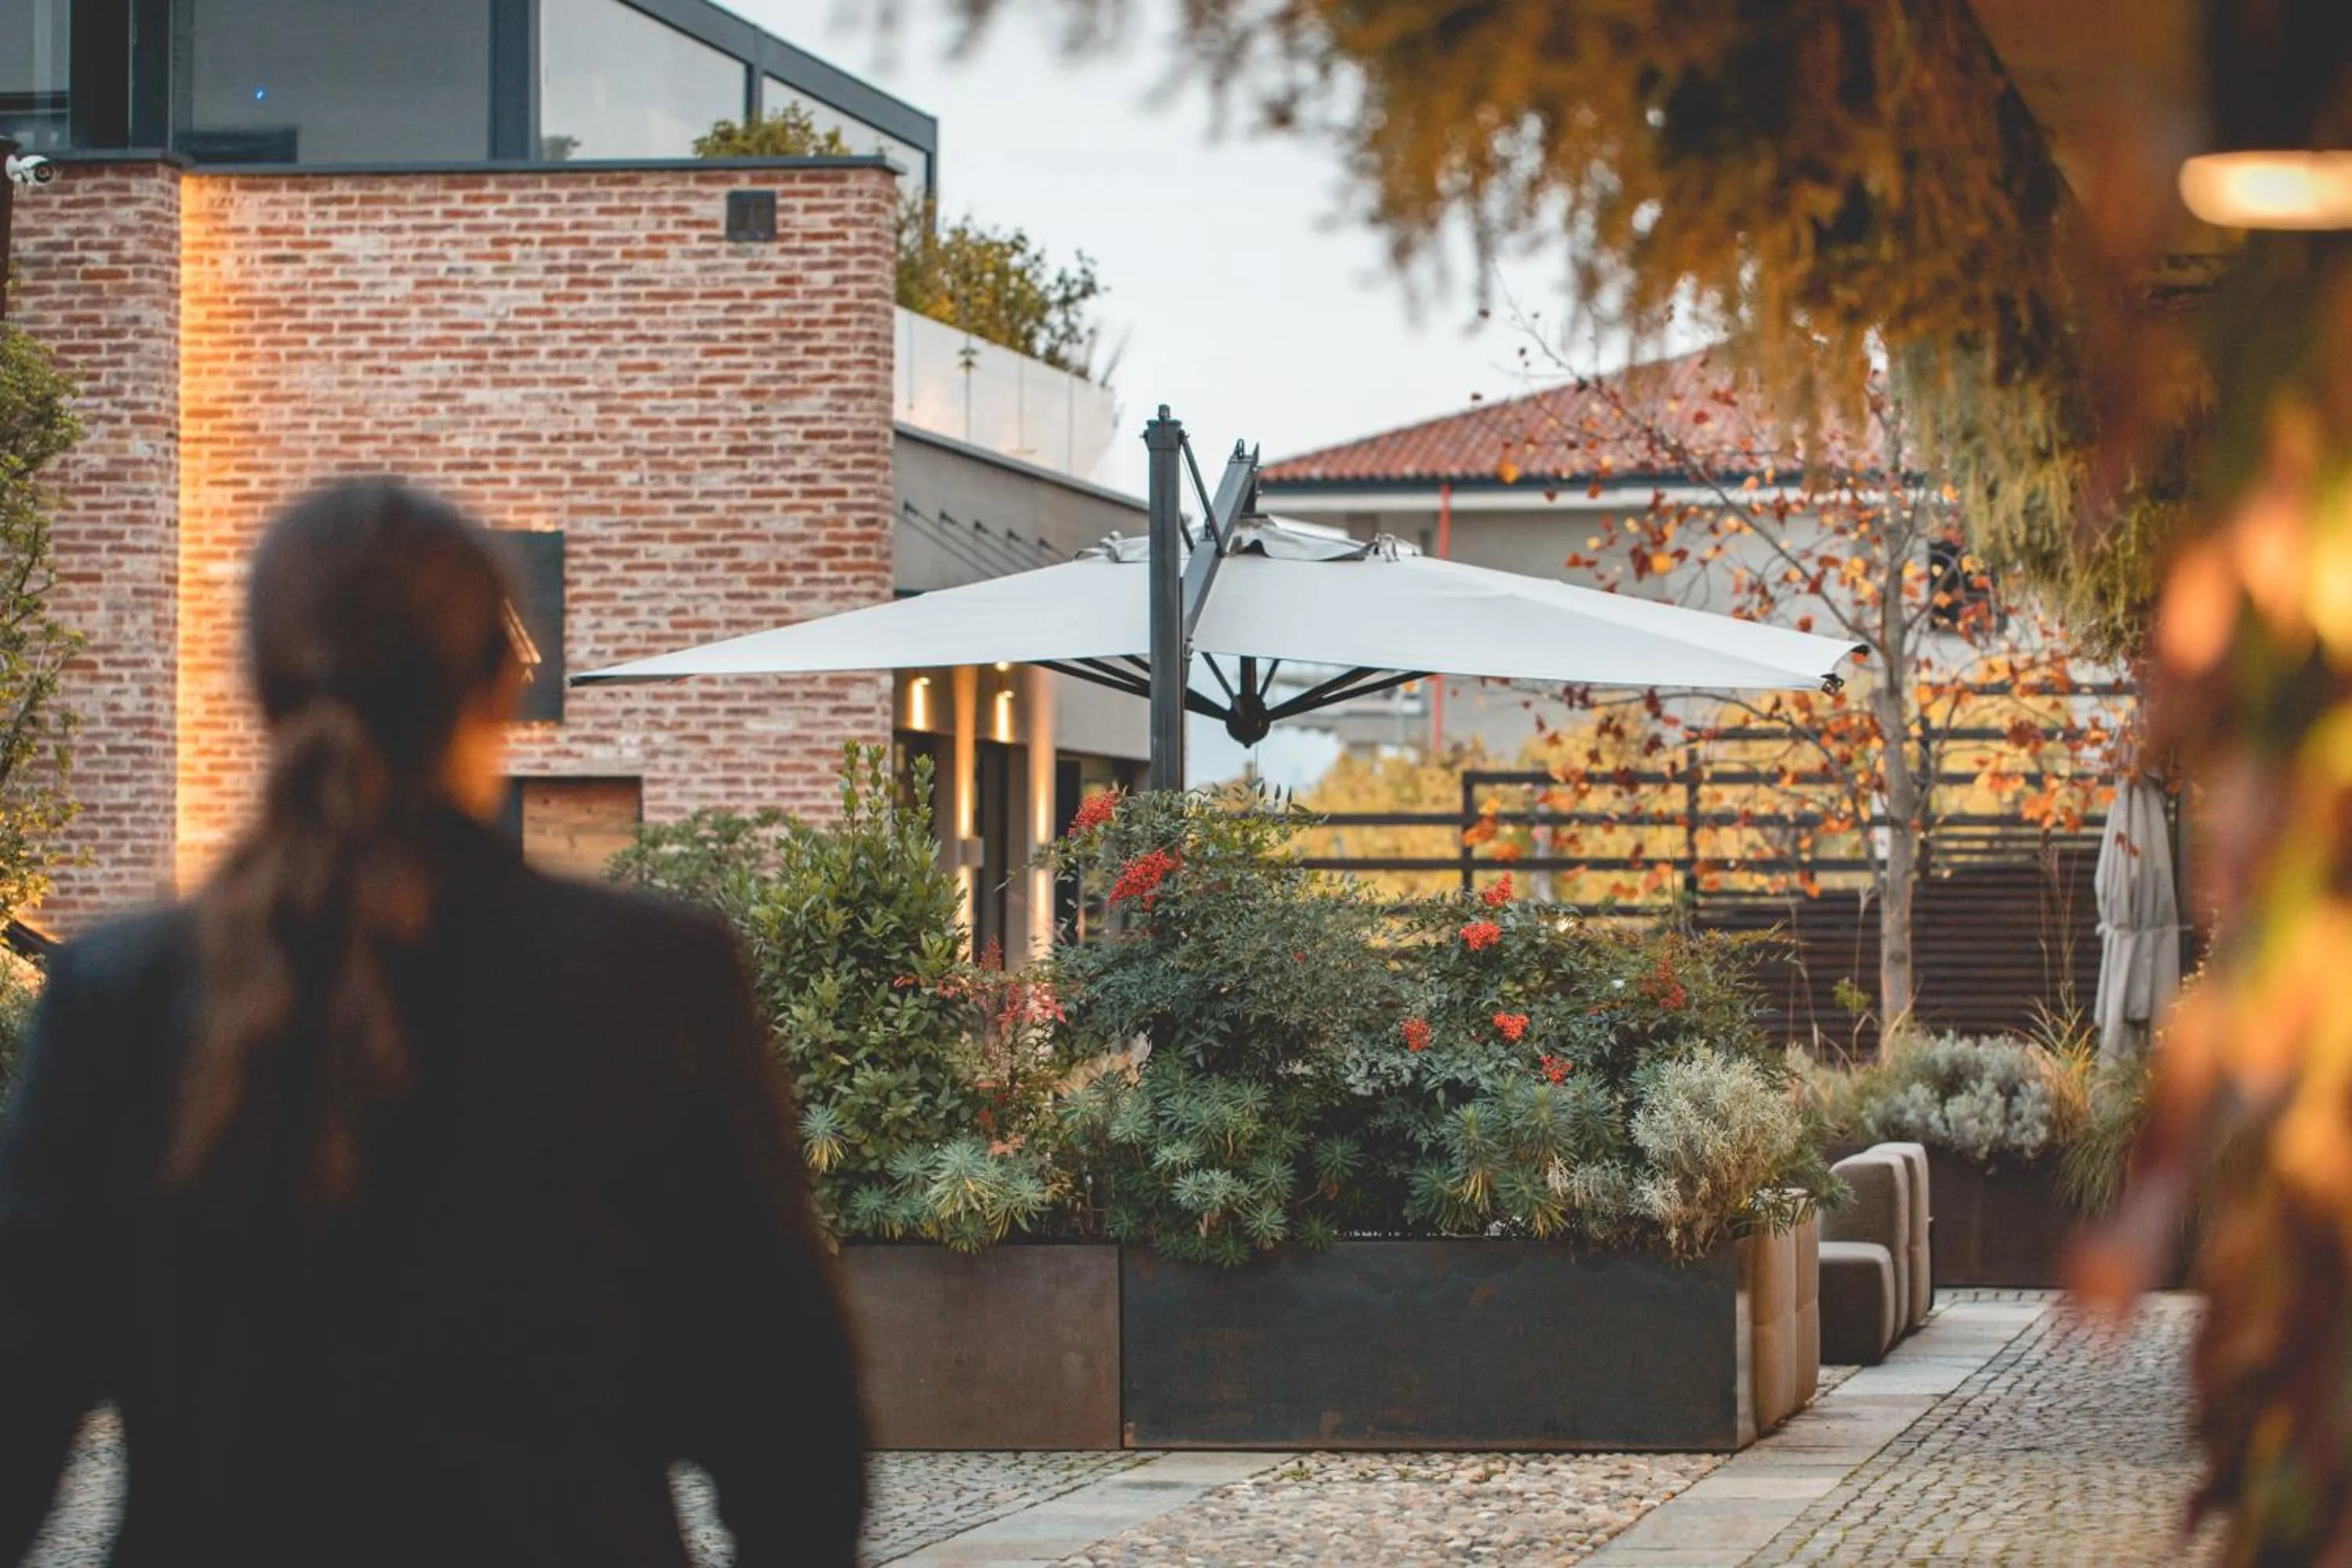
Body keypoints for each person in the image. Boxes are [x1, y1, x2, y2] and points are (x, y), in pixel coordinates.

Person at [0, 480, 866, 1565]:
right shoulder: (656, 980)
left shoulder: (115, 994)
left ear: (260, 688)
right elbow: (795, 1430)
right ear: (501, 683)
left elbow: (19, 1400)